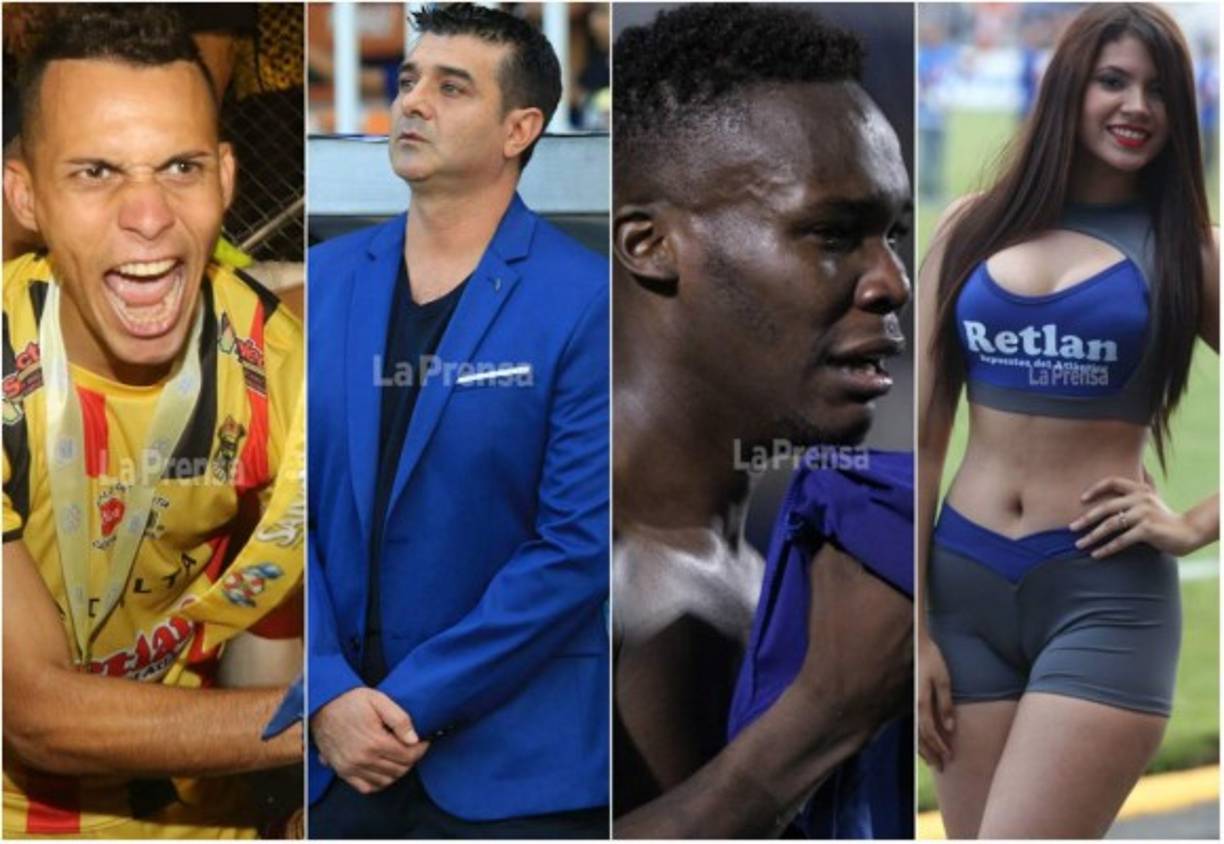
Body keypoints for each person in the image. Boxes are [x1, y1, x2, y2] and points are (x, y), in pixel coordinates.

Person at [1, 4, 304, 838]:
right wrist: (323, 724)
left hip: (211, 809)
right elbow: (33, 710)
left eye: (179, 167)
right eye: (96, 172)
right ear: (27, 196)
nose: (148, 216)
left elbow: (290, 615)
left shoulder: (280, 366)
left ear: (227, 178)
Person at [917, 4, 1219, 838]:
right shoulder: (970, 227)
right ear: (1067, 87)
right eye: (1113, 80)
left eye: (1160, 90)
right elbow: (922, 438)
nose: (1138, 107)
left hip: (1103, 599)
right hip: (962, 596)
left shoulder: (1192, 250)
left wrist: (1196, 523)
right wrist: (912, 634)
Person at [307, 4, 609, 838]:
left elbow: (578, 546)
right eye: (407, 81)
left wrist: (401, 706)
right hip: (334, 766)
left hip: (515, 774)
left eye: (450, 87)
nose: (412, 103)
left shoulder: (585, 301)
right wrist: (326, 690)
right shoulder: (323, 280)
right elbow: (279, 513)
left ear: (520, 127)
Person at [612, 4, 914, 837]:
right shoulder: (549, 549)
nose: (891, 281)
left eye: (893, 234)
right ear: (650, 245)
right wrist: (820, 721)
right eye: (831, 233)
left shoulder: (757, 559)